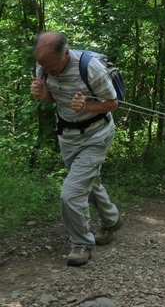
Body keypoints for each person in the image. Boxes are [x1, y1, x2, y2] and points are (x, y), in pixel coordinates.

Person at [30, 32, 123, 266]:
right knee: (88, 181)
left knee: (71, 193)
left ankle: (81, 243)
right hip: (68, 136)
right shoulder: (43, 66)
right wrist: (43, 95)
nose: (47, 71)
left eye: (51, 67)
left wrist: (87, 106)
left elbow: (112, 104)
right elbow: (54, 97)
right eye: (44, 67)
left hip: (96, 135)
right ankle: (111, 220)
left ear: (66, 53)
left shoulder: (90, 68)